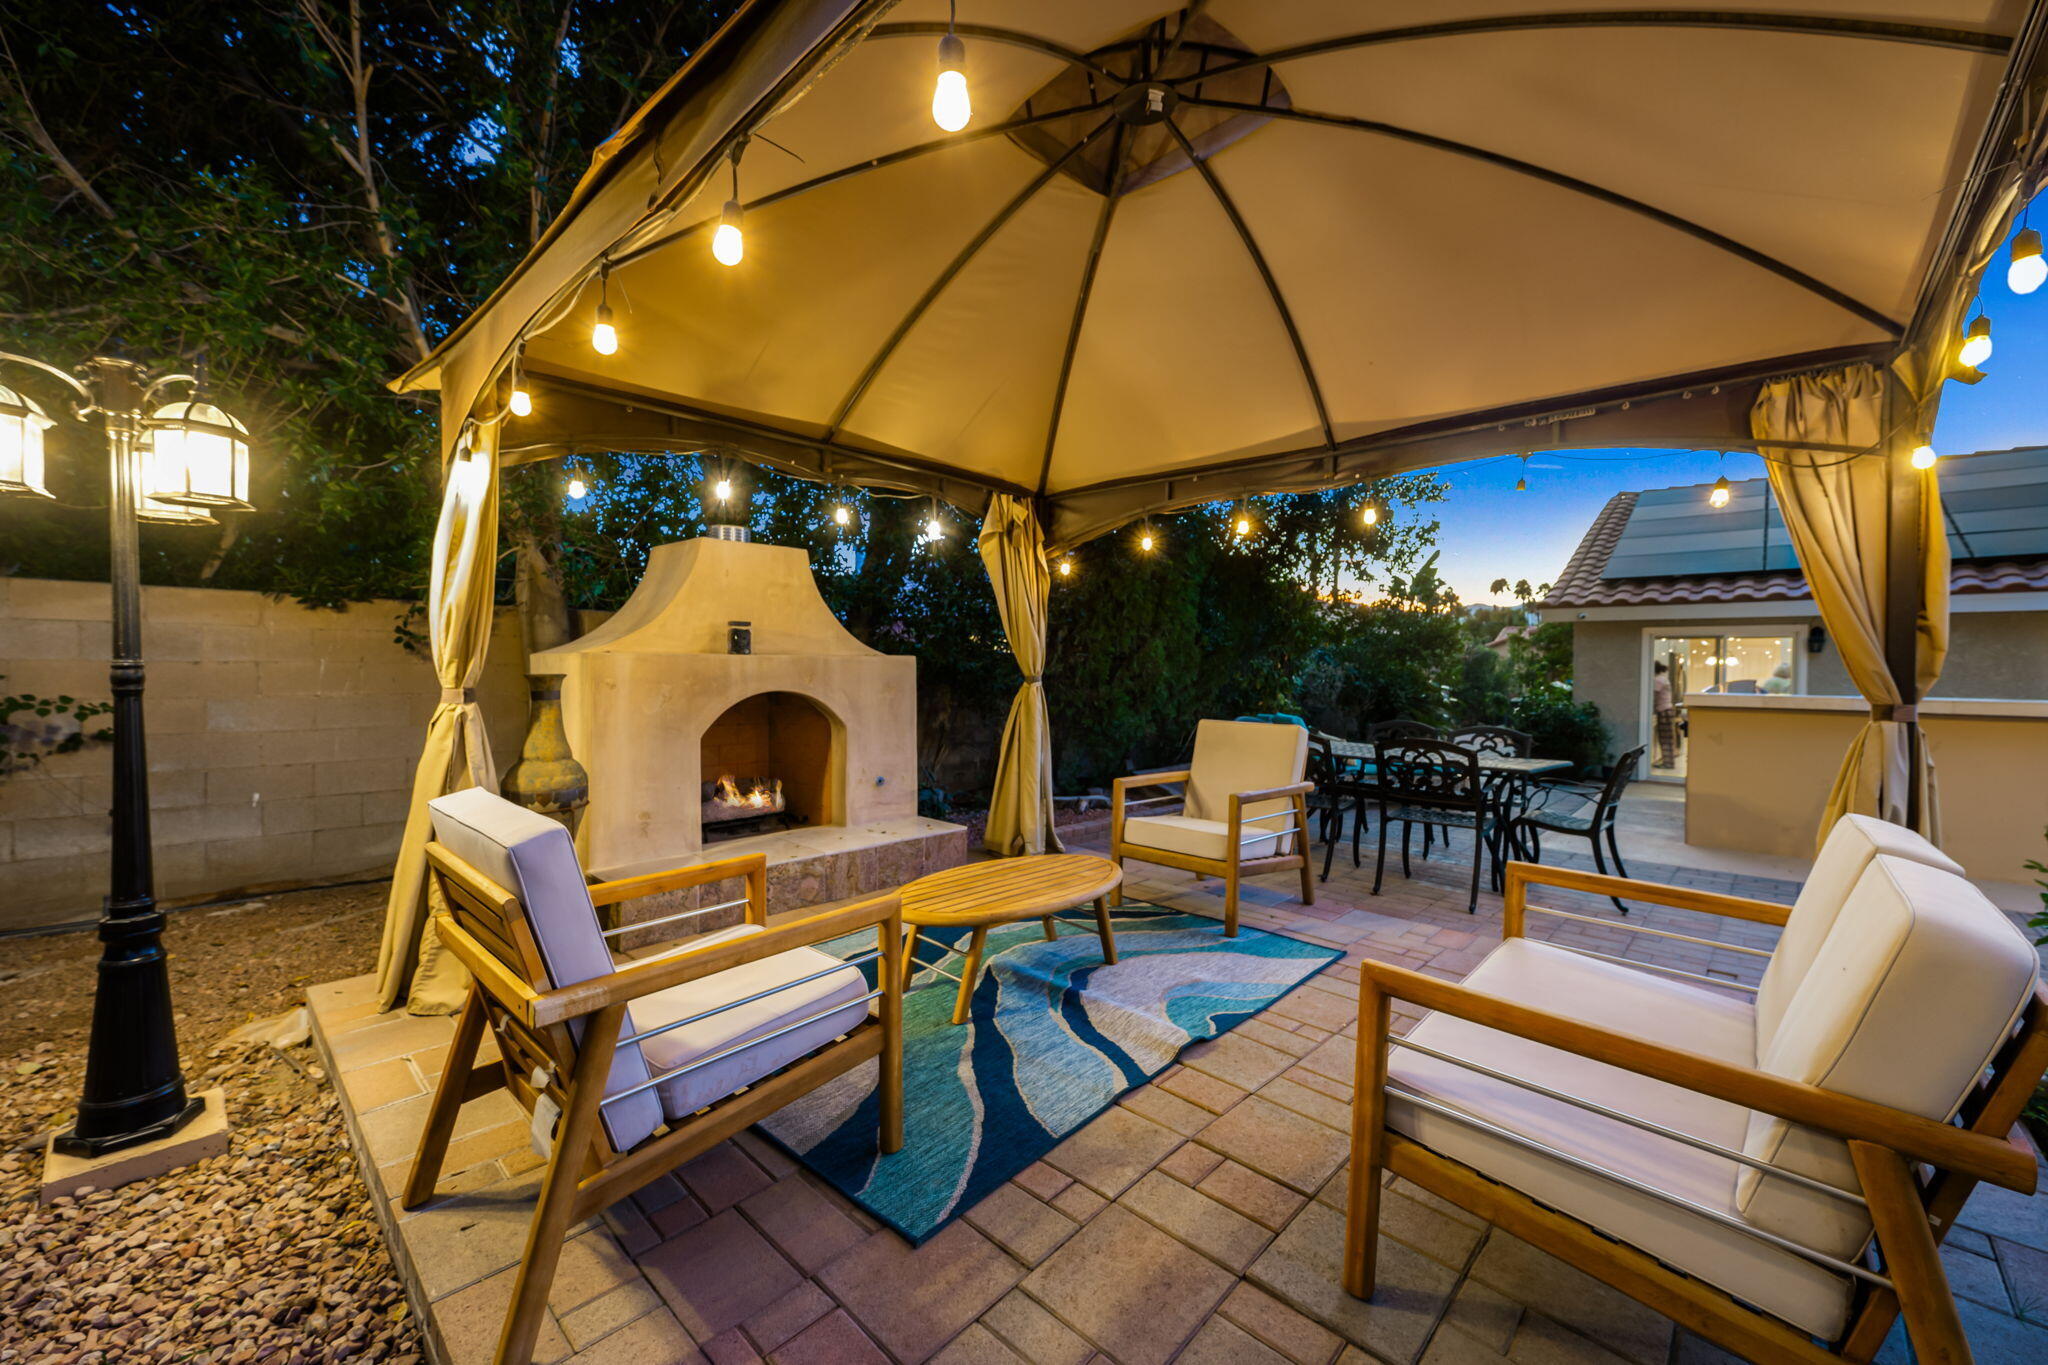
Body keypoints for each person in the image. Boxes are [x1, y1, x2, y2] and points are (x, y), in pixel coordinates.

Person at [1652, 660, 1681, 768]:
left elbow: (1653, 696)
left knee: (1664, 738)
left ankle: (1667, 763)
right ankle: (1668, 761)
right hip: (1668, 709)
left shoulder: (1657, 680)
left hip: (1663, 711)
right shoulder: (1663, 678)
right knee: (1668, 737)